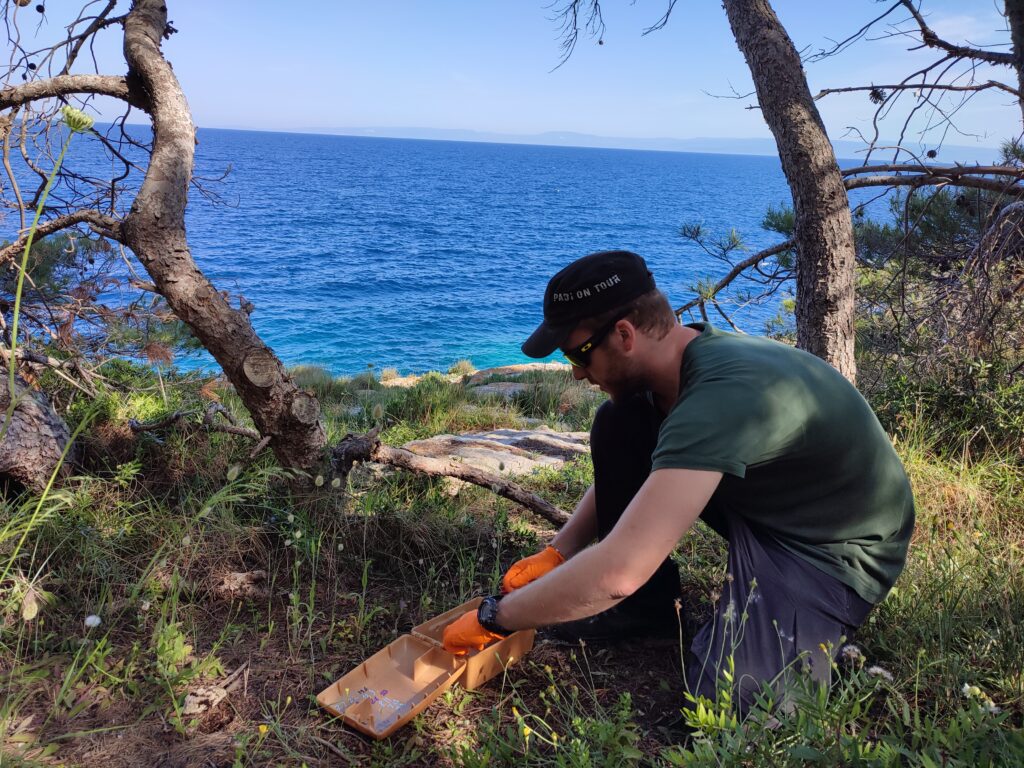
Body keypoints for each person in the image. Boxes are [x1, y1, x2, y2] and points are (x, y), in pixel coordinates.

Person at [442, 250, 915, 709]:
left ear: (625, 334)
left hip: (831, 548)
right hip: (772, 502)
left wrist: (495, 618)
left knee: (733, 700)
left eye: (579, 353)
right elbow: (649, 468)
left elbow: (618, 571)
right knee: (618, 420)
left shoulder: (718, 398)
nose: (578, 373)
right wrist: (558, 551)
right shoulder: (675, 366)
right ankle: (649, 611)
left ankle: (810, 638)